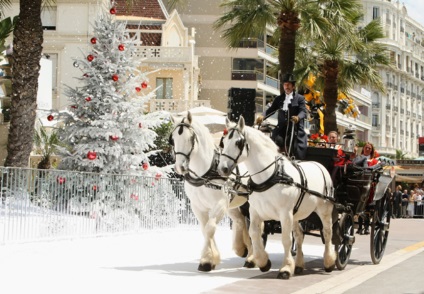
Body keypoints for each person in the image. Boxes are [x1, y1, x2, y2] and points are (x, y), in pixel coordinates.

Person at [265, 73, 308, 159]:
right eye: (285, 84)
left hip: (294, 128)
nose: (286, 86)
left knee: (293, 143)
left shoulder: (300, 98)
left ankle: (293, 158)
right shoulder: (279, 99)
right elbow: (271, 110)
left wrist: (298, 117)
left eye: (288, 84)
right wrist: (262, 116)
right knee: (276, 139)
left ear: (293, 86)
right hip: (281, 128)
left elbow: (303, 112)